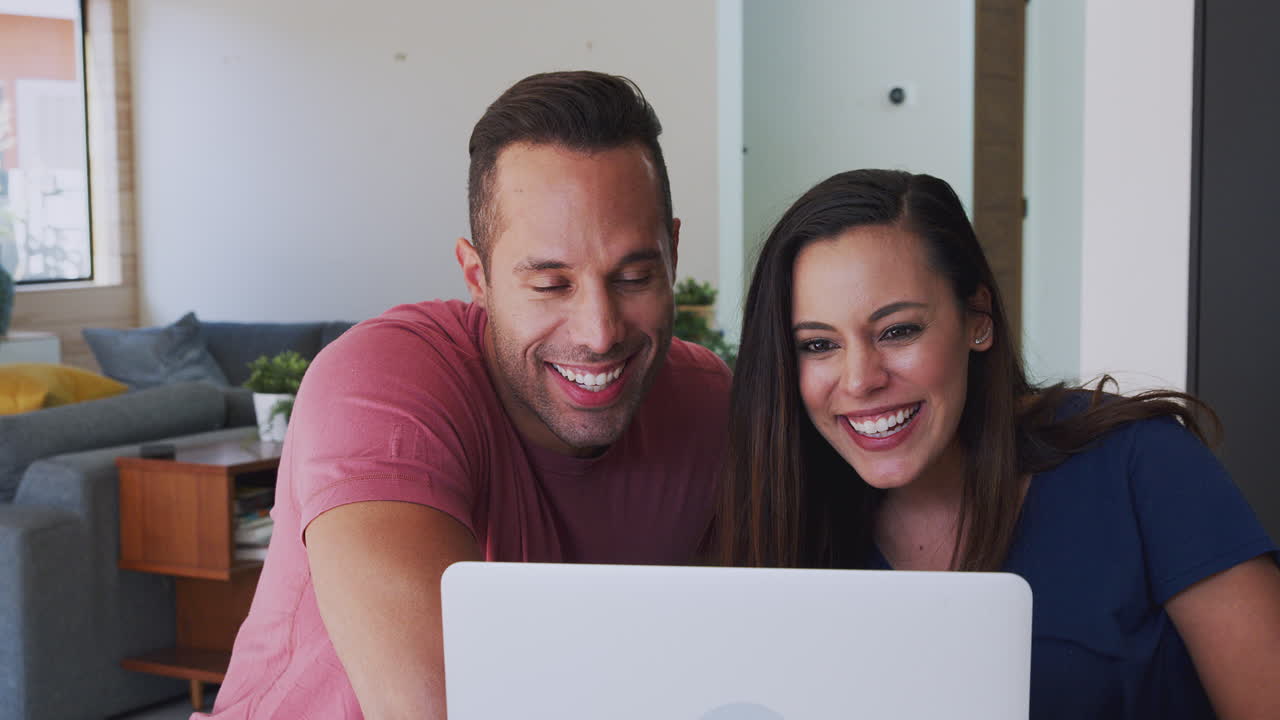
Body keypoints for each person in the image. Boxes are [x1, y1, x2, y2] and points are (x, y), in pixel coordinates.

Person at [200, 71, 731, 720]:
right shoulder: (379, 385)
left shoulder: (710, 407)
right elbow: (437, 710)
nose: (599, 333)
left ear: (674, 255)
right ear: (477, 277)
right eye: (550, 284)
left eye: (634, 276)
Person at [717, 169, 1280, 719]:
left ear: (976, 319)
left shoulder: (1142, 464)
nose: (860, 379)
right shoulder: (785, 519)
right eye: (818, 344)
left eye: (898, 331)